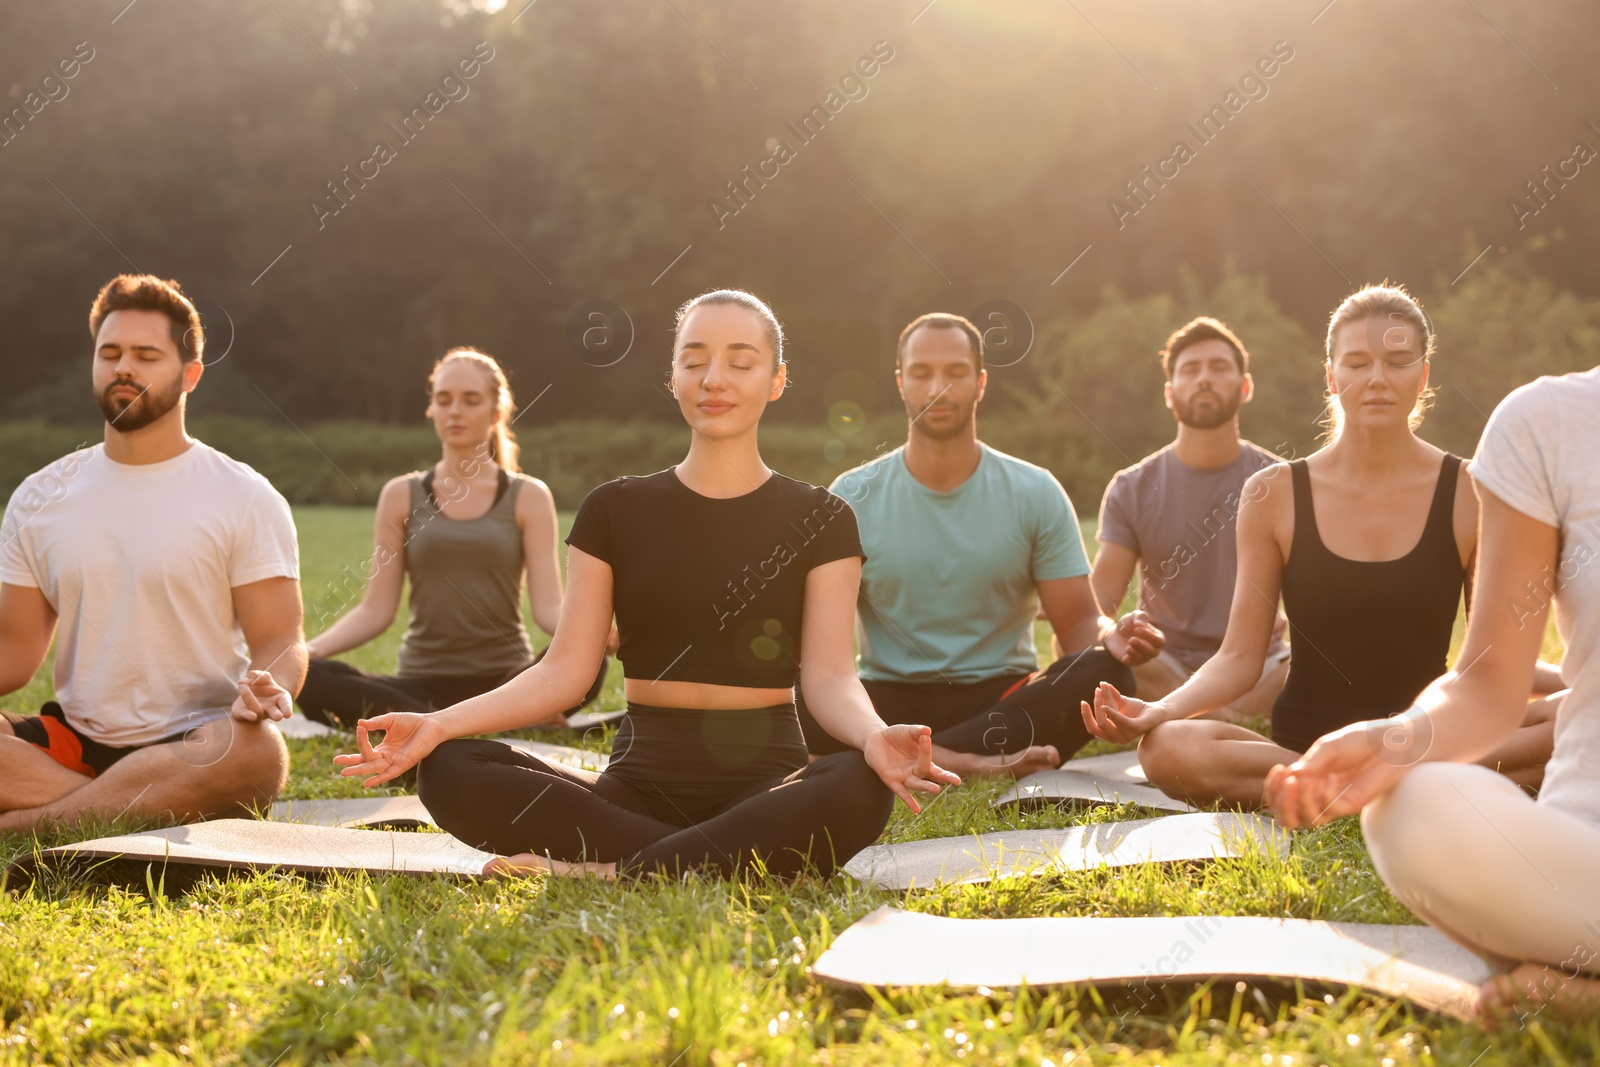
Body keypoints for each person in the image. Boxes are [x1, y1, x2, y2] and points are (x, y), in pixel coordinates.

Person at [334, 290, 959, 879]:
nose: (713, 379)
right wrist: (441, 723)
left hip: (763, 788)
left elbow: (829, 678)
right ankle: (708, 859)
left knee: (858, 783)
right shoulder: (615, 510)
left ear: (776, 381)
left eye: (739, 363)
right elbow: (565, 672)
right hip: (634, 791)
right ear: (674, 379)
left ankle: (614, 871)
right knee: (450, 769)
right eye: (694, 361)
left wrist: (874, 735)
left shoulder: (821, 519)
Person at [1081, 283, 1559, 807]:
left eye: (1397, 362)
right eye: (1356, 363)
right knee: (1169, 747)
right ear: (1331, 376)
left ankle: (1354, 784)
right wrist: (1162, 710)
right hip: (1304, 745)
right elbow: (1240, 656)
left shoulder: (1471, 490)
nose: (1376, 378)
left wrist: (1576, 681)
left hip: (1425, 738)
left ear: (1422, 377)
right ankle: (1392, 786)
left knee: (1574, 716)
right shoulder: (1273, 493)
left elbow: (1486, 658)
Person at [1267, 365, 1599, 1028]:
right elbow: (1486, 680)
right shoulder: (1547, 422)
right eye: (1357, 363)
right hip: (1584, 857)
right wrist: (1391, 739)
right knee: (1410, 805)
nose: (1375, 379)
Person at [796, 312, 1164, 780]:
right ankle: (965, 763)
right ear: (901, 382)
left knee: (1103, 673)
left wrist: (1111, 634)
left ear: (981, 382)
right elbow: (825, 652)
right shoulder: (852, 495)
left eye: (955, 373)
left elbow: (1080, 628)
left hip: (1002, 703)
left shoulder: (1035, 491)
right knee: (805, 683)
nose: (938, 388)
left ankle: (893, 755)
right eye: (921, 373)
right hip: (887, 697)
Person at [0, 274, 303, 831]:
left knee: (261, 754)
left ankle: (31, 823)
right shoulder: (39, 496)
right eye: (109, 353)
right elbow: (14, 651)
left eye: (146, 355)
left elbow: (281, 640)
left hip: (197, 744)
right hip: (74, 741)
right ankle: (119, 806)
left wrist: (270, 683)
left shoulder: (245, 496)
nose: (123, 367)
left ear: (190, 375)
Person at [296, 348, 609, 730]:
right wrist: (303, 653)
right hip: (416, 685)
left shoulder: (528, 496)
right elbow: (376, 610)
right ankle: (484, 721)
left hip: (506, 683)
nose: (455, 411)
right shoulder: (400, 494)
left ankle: (450, 721)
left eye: (470, 400)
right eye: (443, 400)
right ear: (431, 410)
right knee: (312, 675)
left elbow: (548, 610)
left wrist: (597, 633)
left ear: (496, 412)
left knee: (591, 662)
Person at [1093, 317, 1289, 722]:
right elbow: (1098, 607)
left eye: (1218, 368)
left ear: (1245, 386)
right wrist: (1110, 632)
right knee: (1092, 656)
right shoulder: (1131, 487)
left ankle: (1193, 718)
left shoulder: (1284, 482)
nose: (1204, 379)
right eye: (1190, 370)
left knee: (1321, 664)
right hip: (1164, 668)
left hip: (1262, 667)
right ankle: (1227, 719)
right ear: (1170, 393)